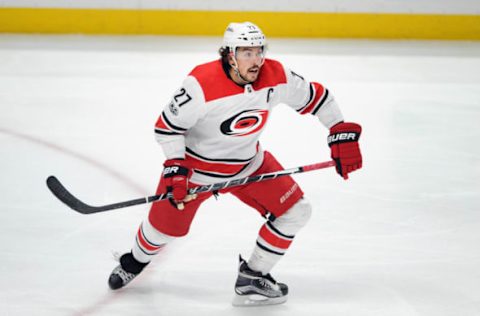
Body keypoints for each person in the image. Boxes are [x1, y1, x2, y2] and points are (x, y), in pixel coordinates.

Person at [108, 21, 362, 306]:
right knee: (162, 230)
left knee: (296, 211)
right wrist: (176, 166)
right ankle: (133, 262)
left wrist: (339, 130)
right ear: (230, 55)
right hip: (197, 173)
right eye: (247, 53)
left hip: (249, 164)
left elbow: (319, 97)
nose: (256, 60)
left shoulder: (276, 75)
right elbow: (167, 128)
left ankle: (253, 276)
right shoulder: (200, 83)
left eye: (259, 52)